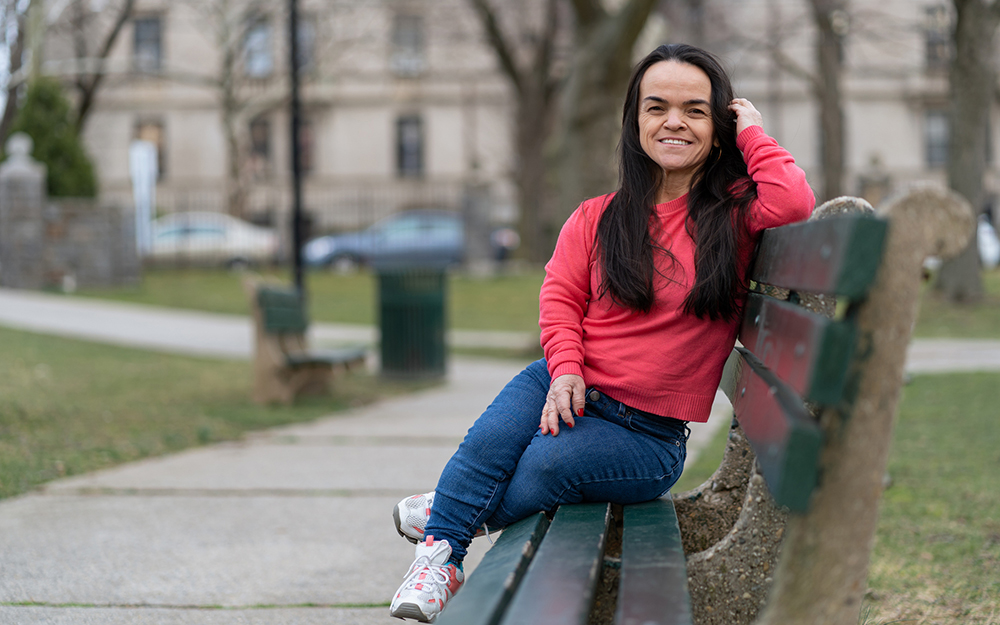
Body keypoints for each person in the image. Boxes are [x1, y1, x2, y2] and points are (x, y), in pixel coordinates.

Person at [387, 43, 815, 623]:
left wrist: (753, 132)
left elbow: (794, 201)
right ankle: (441, 559)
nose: (673, 122)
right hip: (566, 385)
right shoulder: (596, 217)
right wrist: (565, 368)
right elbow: (560, 300)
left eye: (695, 110)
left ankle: (451, 510)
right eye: (656, 106)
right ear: (635, 121)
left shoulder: (734, 215)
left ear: (719, 128)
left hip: (647, 438)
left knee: (544, 465)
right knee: (488, 442)